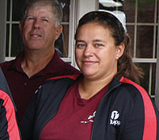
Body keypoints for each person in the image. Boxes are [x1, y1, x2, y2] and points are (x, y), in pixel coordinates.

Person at [21, 11, 158, 140]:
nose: (87, 52)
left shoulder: (135, 100)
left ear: (119, 50)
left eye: (98, 45)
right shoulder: (49, 90)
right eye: (81, 45)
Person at [0, 0, 79, 121]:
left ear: (57, 32)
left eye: (45, 20)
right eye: (31, 18)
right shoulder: (0, 73)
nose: (36, 25)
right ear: (21, 27)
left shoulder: (72, 80)